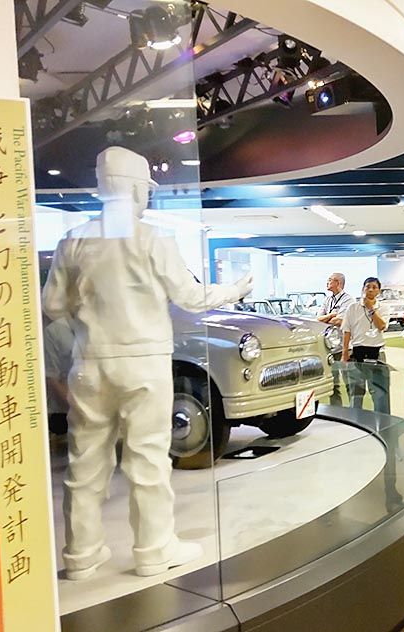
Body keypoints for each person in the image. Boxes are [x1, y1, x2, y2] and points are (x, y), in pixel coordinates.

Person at [42, 147, 251, 580]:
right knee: (148, 459)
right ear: (137, 189)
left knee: (85, 461)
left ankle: (81, 554)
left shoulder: (73, 239)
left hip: (90, 364)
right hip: (144, 364)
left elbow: (52, 305)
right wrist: (234, 290)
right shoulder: (155, 239)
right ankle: (153, 550)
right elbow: (190, 297)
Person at [341, 277, 390, 412]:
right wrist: (345, 353)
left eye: (374, 287)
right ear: (363, 289)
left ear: (379, 291)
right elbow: (346, 330)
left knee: (380, 393)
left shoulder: (384, 308)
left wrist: (371, 309)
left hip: (377, 353)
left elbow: (382, 326)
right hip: (357, 353)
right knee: (356, 392)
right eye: (368, 287)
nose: (370, 290)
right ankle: (355, 420)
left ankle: (383, 420)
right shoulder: (353, 308)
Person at [319, 272, 356, 405]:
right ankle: (336, 409)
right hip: (330, 348)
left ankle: (353, 410)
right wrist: (331, 315)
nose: (327, 282)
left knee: (349, 382)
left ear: (338, 283)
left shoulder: (348, 300)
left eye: (330, 280)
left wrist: (329, 318)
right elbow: (318, 319)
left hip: (344, 347)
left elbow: (340, 321)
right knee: (333, 384)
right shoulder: (327, 300)